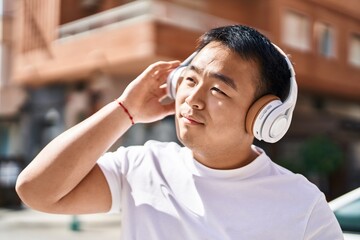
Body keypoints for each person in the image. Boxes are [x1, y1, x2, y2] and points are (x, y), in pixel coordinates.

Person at [16, 25, 343, 239]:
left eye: (218, 90)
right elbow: (36, 190)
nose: (193, 99)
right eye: (189, 79)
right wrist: (125, 110)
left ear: (264, 116)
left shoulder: (303, 205)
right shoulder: (143, 166)